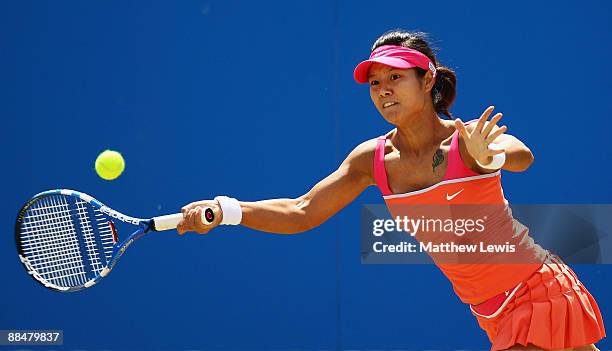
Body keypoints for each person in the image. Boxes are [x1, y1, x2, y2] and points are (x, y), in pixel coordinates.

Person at [176, 30, 606, 351]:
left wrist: (488, 155)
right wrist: (228, 210)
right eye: (375, 83)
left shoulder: (468, 137)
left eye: (395, 78)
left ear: (428, 80)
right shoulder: (371, 160)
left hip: (534, 291)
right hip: (488, 311)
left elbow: (521, 155)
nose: (383, 91)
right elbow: (302, 210)